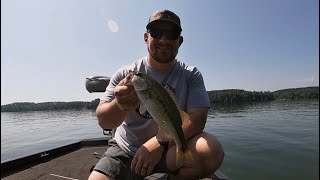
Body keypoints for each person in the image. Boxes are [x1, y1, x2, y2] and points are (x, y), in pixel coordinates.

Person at [88, 9, 224, 180]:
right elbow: (104, 121)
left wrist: (158, 143)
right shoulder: (124, 74)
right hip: (126, 150)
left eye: (171, 34)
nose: (164, 40)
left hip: (170, 148)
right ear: (146, 37)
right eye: (157, 33)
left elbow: (198, 119)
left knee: (211, 151)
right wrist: (120, 104)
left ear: (180, 41)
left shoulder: (191, 74)